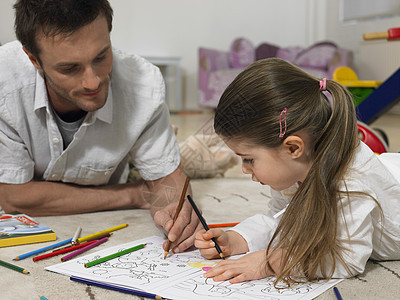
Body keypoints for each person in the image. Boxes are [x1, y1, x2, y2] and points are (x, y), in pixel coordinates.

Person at [0, 0, 199, 254]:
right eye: (69, 68)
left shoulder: (144, 86)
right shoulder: (4, 84)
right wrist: (134, 194)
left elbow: (167, 182)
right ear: (33, 59)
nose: (93, 82)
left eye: (101, 57)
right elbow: (13, 197)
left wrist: (173, 210)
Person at [195, 57, 400, 286]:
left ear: (293, 147)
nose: (244, 169)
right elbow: (284, 224)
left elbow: (348, 258)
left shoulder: (350, 183)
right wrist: (237, 239)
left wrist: (273, 261)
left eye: (250, 159)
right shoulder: (295, 167)